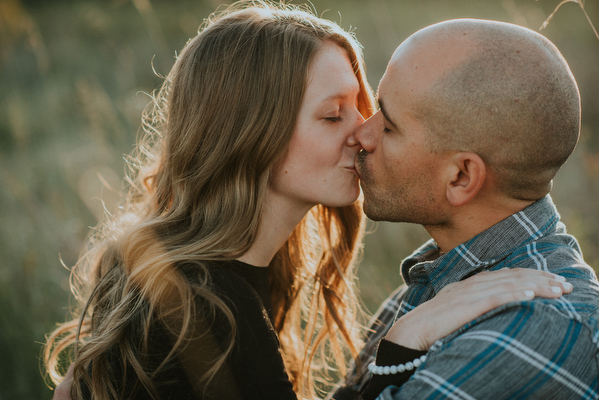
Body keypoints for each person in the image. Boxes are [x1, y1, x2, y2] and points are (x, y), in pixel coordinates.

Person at [45, 4, 573, 399]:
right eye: (332, 114)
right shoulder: (204, 306)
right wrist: (401, 344)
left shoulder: (222, 279)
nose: (363, 134)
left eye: (365, 110)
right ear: (251, 135)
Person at [331, 18, 599, 400]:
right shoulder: (442, 285)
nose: (361, 134)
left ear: (460, 177)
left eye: (389, 127)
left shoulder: (532, 330)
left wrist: (397, 351)